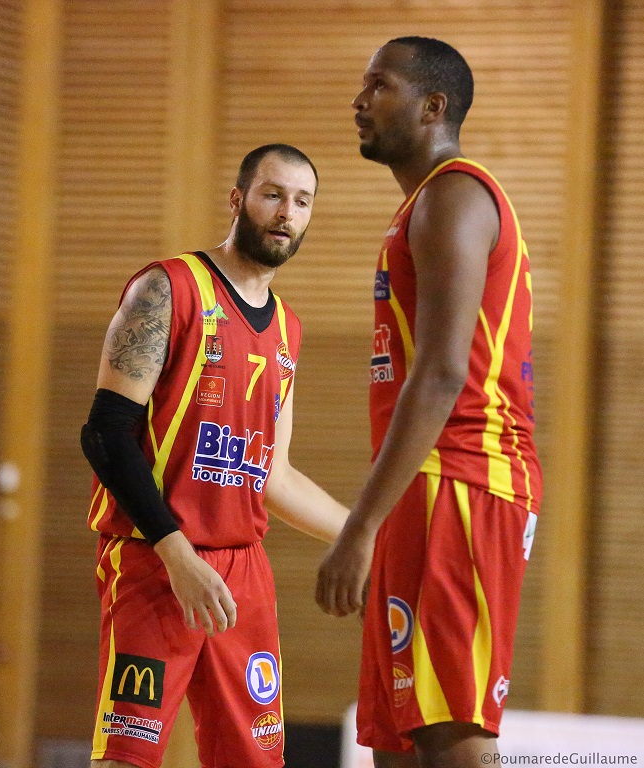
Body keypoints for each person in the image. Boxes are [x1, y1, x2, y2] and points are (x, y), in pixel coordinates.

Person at [81, 143, 349, 768]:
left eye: (302, 201)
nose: (287, 212)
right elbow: (105, 434)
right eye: (273, 194)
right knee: (128, 756)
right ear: (238, 200)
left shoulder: (288, 328)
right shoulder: (166, 288)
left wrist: (366, 534)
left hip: (243, 572)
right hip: (155, 558)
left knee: (253, 760)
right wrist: (177, 556)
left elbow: (273, 477)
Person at [315, 37, 543, 768]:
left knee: (450, 727)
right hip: (426, 482)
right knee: (398, 736)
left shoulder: (455, 193)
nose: (359, 102)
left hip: (465, 477)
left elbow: (444, 372)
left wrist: (359, 526)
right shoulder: (423, 202)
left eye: (378, 86)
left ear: (432, 106)